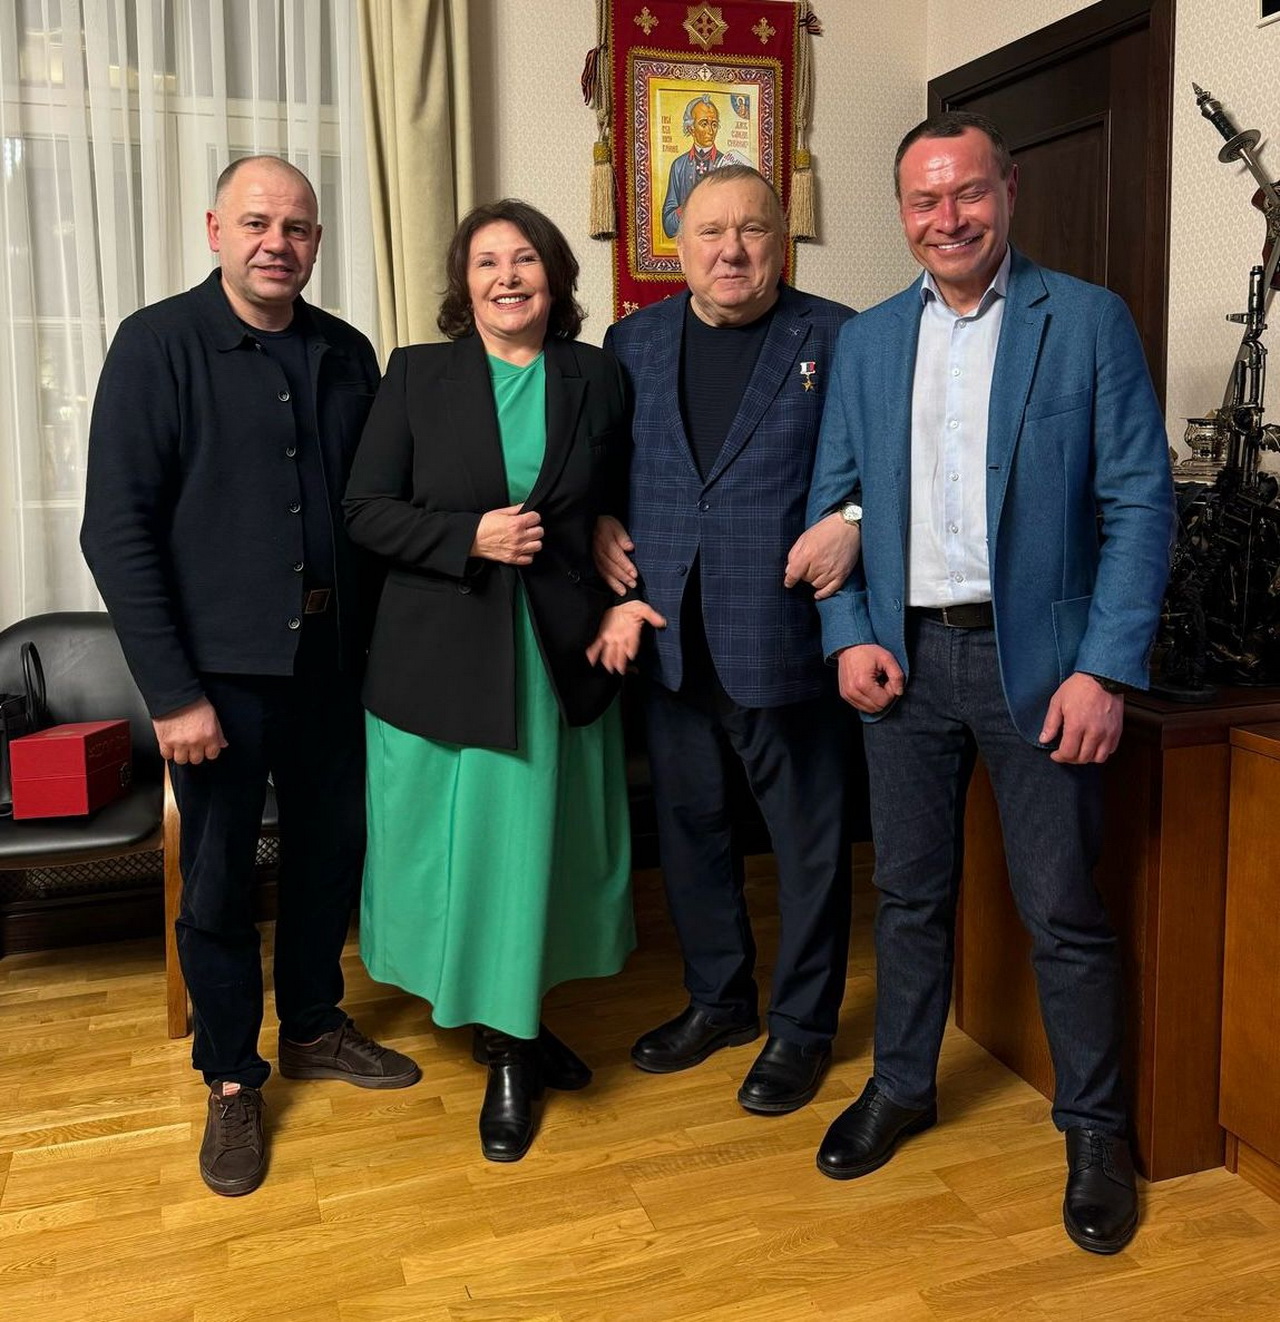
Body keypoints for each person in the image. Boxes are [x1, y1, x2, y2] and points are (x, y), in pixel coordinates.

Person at [804, 111, 1174, 1254]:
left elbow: (1137, 503)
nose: (946, 217)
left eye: (966, 192)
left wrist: (1102, 666)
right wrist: (844, 632)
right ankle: (900, 1084)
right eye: (923, 199)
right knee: (907, 895)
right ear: (900, 212)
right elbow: (835, 500)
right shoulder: (868, 341)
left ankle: (1092, 1130)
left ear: (1006, 191)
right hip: (903, 662)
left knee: (1060, 907)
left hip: (1043, 669)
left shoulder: (1086, 320)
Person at [81, 155, 420, 1199]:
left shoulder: (347, 351)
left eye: (299, 227)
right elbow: (115, 531)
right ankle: (231, 1074)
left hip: (333, 664)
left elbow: (375, 508)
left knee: (328, 858)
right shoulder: (155, 345)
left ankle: (313, 1025)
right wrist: (172, 693)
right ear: (215, 229)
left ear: (316, 242)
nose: (279, 242)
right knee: (220, 881)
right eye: (259, 222)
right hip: (215, 683)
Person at [343, 200, 651, 1164]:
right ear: (463, 283)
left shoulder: (598, 375)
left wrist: (619, 567)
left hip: (559, 654)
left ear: (554, 279)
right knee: (468, 856)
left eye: (525, 260)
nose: (507, 277)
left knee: (540, 857)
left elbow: (624, 498)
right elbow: (363, 511)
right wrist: (466, 537)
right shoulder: (415, 375)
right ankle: (509, 1045)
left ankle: (516, 1022)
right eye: (486, 262)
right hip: (443, 660)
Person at [595, 166, 860, 1116]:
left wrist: (857, 520)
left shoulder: (840, 337)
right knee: (691, 834)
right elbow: (604, 461)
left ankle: (803, 1028)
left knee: (808, 847)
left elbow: (888, 466)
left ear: (781, 241)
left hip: (784, 633)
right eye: (711, 232)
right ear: (680, 243)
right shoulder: (631, 340)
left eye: (752, 230)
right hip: (670, 637)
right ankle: (719, 1002)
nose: (732, 250)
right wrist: (597, 519)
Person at [661, 95, 751, 238]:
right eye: (704, 124)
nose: (711, 130)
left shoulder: (728, 164)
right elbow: (668, 226)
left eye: (714, 124)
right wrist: (689, 206)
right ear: (691, 128)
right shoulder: (679, 166)